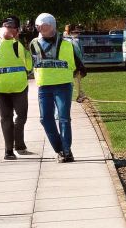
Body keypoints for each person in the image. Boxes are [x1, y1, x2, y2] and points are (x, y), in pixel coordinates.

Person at [31, 12, 86, 162]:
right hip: (44, 86)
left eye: (44, 25)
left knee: (64, 118)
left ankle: (66, 150)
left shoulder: (68, 44)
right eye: (38, 25)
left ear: (52, 25)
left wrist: (79, 83)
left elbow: (77, 65)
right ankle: (59, 148)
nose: (40, 28)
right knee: (45, 119)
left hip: (63, 85)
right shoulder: (34, 43)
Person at [0, 16, 33, 159]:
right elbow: (28, 65)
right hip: (18, 85)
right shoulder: (18, 45)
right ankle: (19, 145)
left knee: (6, 117)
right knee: (21, 115)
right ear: (16, 30)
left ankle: (9, 151)